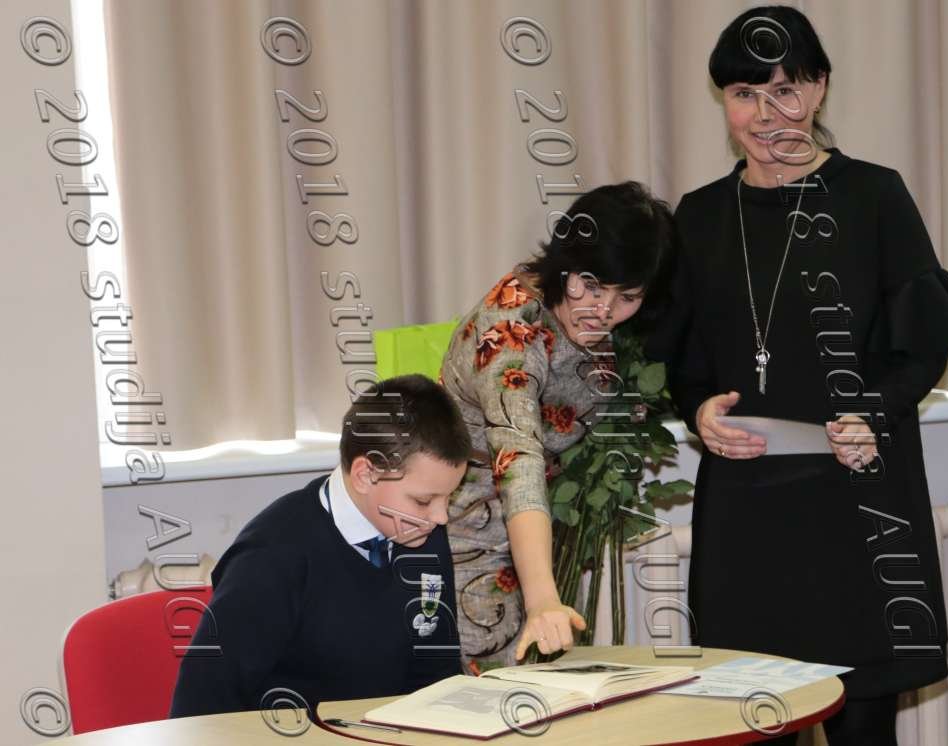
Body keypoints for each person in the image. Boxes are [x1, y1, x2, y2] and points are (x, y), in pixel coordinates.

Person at [645, 6, 948, 745]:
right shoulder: (699, 217)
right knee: (751, 720)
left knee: (864, 726)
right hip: (747, 507)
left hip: (858, 496)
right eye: (744, 94)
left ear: (820, 88)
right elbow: (683, 358)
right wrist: (699, 410)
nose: (765, 114)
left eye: (785, 90)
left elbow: (921, 346)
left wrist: (873, 413)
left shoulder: (874, 196)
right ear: (723, 100)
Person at [439, 181, 677, 672]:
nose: (602, 311)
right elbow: (519, 458)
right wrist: (542, 598)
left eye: (627, 296)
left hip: (543, 540)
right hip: (466, 536)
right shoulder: (511, 331)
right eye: (591, 286)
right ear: (565, 263)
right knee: (492, 695)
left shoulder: (599, 317)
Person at [170, 374, 470, 716]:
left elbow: (436, 677)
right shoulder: (273, 555)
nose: (441, 516)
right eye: (423, 500)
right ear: (366, 475)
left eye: (448, 497)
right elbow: (201, 706)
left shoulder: (419, 532)